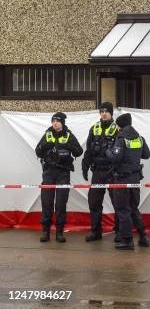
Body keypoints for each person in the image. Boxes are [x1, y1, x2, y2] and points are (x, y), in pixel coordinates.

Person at [35, 112, 83, 243]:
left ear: (62, 122)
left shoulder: (68, 135)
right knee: (47, 202)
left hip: (63, 173)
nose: (54, 123)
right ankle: (45, 231)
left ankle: (60, 232)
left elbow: (79, 151)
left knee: (61, 203)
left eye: (57, 121)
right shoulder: (47, 134)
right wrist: (44, 146)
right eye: (53, 121)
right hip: (49, 172)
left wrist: (69, 146)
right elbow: (37, 151)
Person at [106, 113, 150, 250]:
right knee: (133, 208)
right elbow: (146, 155)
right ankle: (143, 236)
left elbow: (115, 158)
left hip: (122, 179)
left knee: (123, 210)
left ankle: (127, 240)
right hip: (135, 178)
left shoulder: (121, 138)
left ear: (120, 125)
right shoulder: (139, 138)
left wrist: (108, 150)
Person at [82, 102, 119, 242]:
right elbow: (89, 150)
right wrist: (84, 166)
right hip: (98, 172)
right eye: (101, 111)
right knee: (94, 202)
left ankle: (120, 230)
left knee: (118, 202)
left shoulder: (118, 129)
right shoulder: (94, 128)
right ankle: (96, 232)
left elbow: (122, 152)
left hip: (113, 172)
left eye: (106, 111)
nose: (104, 113)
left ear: (111, 113)